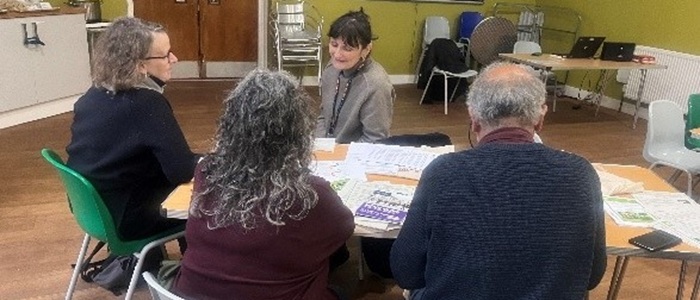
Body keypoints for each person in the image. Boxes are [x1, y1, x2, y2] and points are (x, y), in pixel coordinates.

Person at [390, 62, 606, 300]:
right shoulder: (581, 174)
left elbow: (406, 271)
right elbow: (593, 275)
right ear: (540, 119)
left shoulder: (443, 172)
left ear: (474, 119)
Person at [171, 69, 355, 299]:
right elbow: (344, 229)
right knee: (341, 286)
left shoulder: (207, 169)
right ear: (297, 132)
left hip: (190, 295)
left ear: (231, 124)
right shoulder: (309, 193)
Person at [66, 17, 198, 243]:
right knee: (209, 201)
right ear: (139, 65)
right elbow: (182, 170)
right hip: (126, 220)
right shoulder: (145, 103)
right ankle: (197, 273)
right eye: (165, 55)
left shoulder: (94, 95)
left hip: (95, 209)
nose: (174, 59)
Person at [315, 9, 395, 144]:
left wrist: (337, 155)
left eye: (347, 49)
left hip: (353, 157)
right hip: (327, 151)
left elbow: (375, 140)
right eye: (334, 44)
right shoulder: (331, 69)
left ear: (366, 49)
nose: (337, 54)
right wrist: (320, 144)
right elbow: (324, 116)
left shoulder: (376, 85)